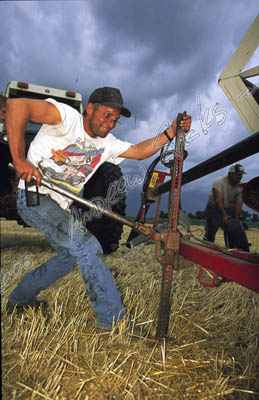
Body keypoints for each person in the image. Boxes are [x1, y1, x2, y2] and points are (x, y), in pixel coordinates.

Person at [2, 87, 191, 330]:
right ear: (90, 108)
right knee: (88, 246)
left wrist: (171, 131)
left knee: (70, 256)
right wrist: (19, 159)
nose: (110, 123)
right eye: (106, 114)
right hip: (34, 196)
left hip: (61, 203)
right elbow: (17, 107)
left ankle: (19, 300)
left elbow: (137, 151)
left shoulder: (108, 144)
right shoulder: (65, 118)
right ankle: (112, 322)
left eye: (115, 119)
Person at [203, 164, 246, 242]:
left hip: (229, 207)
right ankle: (208, 241)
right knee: (212, 229)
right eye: (238, 175)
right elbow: (218, 201)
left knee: (232, 227)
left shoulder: (241, 186)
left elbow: (238, 205)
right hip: (214, 207)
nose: (240, 177)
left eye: (241, 175)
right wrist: (224, 215)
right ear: (230, 174)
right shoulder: (219, 182)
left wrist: (236, 220)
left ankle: (232, 246)